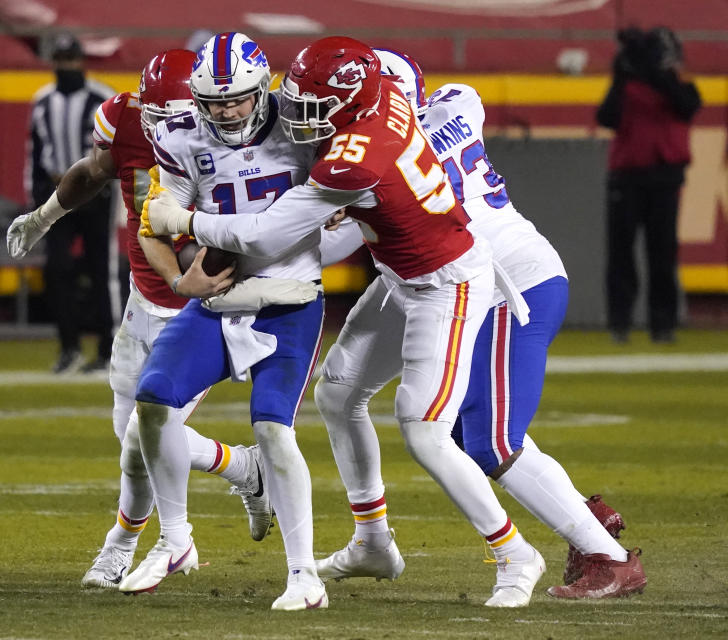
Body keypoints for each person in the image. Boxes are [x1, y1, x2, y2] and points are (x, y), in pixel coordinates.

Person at [144, 36, 549, 608]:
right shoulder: (381, 94)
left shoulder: (358, 153)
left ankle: (514, 553)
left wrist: (180, 217)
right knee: (337, 392)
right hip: (397, 273)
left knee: (425, 430)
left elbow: (260, 234)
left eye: (315, 108)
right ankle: (372, 540)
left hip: (447, 281)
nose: (301, 118)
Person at [366, 48, 646, 599]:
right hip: (504, 280)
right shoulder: (455, 104)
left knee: (492, 441)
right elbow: (459, 99)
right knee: (474, 439)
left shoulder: (390, 158)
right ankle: (590, 519)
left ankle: (610, 559)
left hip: (508, 288)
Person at [7, 49, 272, 589]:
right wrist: (45, 215)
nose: (162, 128)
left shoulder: (242, 139)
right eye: (154, 115)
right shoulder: (128, 115)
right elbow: (98, 172)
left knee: (140, 436)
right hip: (143, 299)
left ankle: (124, 545)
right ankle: (243, 467)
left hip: (206, 310)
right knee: (129, 431)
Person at [119, 32, 330, 611]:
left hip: (289, 295)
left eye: (236, 99)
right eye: (214, 102)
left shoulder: (302, 124)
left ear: (262, 90)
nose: (226, 111)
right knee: (154, 399)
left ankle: (304, 574)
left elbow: (351, 198)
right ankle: (175, 540)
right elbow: (155, 222)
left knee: (272, 427)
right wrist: (179, 281)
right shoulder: (180, 136)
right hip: (221, 294)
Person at [596, 26, 701, 344]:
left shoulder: (680, 89)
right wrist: (621, 78)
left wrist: (658, 74)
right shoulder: (628, 89)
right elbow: (607, 117)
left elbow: (686, 105)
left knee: (663, 254)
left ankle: (663, 325)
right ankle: (620, 324)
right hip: (627, 178)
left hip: (663, 178)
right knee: (621, 255)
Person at [27, 34, 117, 373]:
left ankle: (109, 349)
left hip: (95, 192)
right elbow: (34, 154)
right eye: (60, 60)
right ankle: (69, 347)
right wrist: (34, 201)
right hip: (57, 194)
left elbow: (118, 151)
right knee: (57, 270)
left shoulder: (102, 97)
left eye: (71, 59)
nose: (66, 66)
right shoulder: (42, 101)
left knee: (100, 271)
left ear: (81, 60)